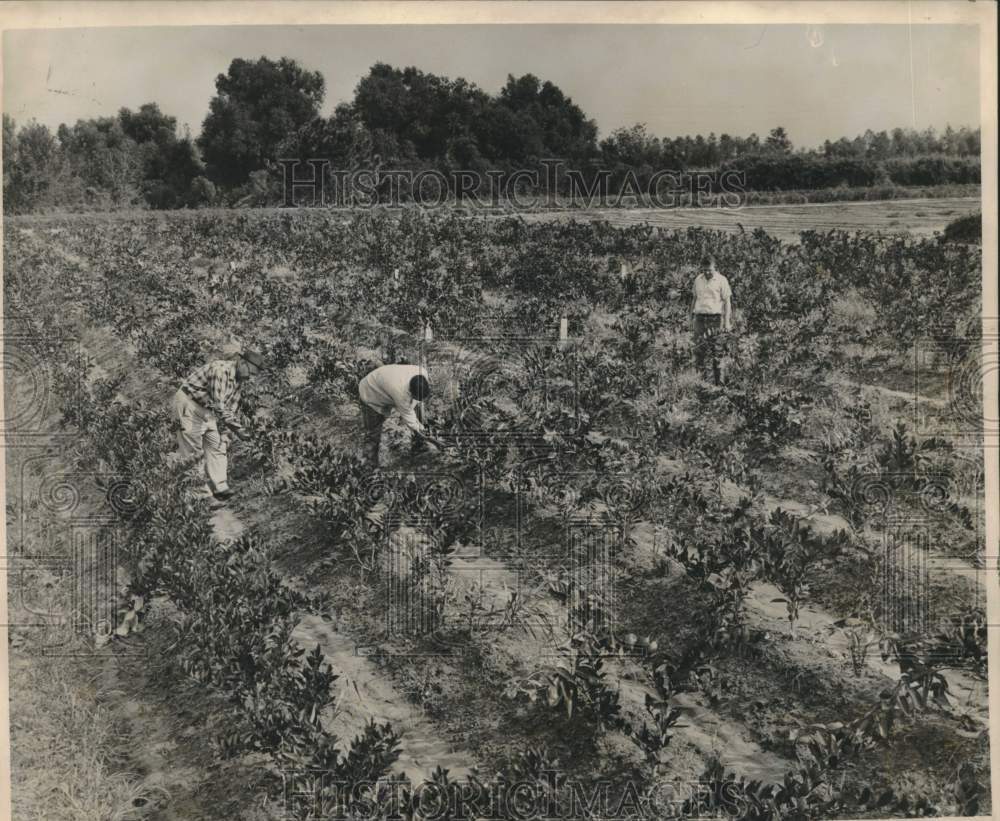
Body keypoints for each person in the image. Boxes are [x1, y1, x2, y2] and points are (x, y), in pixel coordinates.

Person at [173, 349, 266, 505]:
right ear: (242, 362)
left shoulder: (238, 381)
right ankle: (201, 495)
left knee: (218, 445)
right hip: (189, 404)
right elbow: (220, 406)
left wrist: (227, 433)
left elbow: (231, 408)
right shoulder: (220, 371)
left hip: (208, 410)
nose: (250, 378)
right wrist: (240, 430)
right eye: (251, 373)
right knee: (192, 451)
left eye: (254, 376)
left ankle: (220, 488)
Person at [358, 364, 444, 466]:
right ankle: (369, 468)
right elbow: (409, 418)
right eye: (417, 397)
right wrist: (425, 433)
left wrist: (421, 427)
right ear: (411, 393)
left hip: (383, 380)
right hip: (370, 392)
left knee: (416, 413)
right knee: (373, 434)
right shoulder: (400, 393)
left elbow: (414, 407)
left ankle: (419, 446)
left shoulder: (422, 372)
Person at [690, 256, 733, 386]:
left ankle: (719, 385)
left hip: (715, 319)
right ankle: (701, 384)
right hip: (700, 319)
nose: (707, 273)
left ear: (715, 268)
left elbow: (727, 302)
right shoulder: (698, 279)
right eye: (704, 270)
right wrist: (690, 317)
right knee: (699, 351)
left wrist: (726, 322)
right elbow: (694, 299)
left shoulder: (721, 280)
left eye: (710, 270)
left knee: (717, 351)